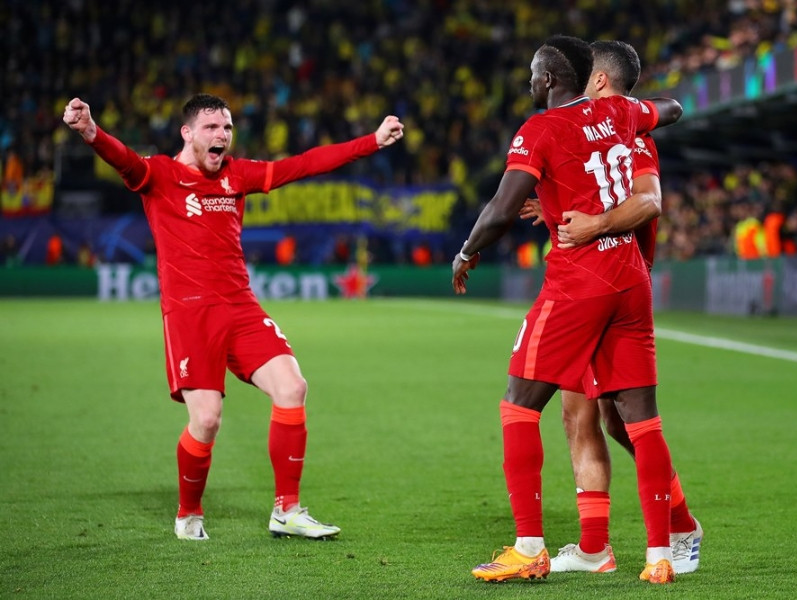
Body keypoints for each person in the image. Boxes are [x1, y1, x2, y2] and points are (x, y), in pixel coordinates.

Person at [63, 93, 404, 541]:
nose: (222, 135)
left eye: (226, 127)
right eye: (211, 127)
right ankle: (188, 513)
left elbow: (304, 165)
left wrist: (372, 141)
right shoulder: (160, 175)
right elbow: (123, 159)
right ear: (187, 133)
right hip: (190, 314)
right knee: (206, 419)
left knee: (292, 387)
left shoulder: (237, 175)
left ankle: (287, 510)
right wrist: (91, 131)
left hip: (240, 307)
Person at [452, 35, 683, 584]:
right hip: (631, 278)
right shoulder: (621, 112)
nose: (530, 81)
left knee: (518, 403)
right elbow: (670, 108)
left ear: (551, 78)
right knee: (641, 419)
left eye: (535, 73)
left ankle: (528, 547)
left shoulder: (540, 128)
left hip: (580, 280)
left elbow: (501, 208)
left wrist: (466, 251)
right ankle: (659, 556)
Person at [519, 40, 702, 576]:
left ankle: (680, 524)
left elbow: (648, 201)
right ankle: (595, 546)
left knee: (622, 422)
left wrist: (595, 223)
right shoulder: (588, 129)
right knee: (579, 414)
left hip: (616, 286)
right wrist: (554, 207)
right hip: (588, 285)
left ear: (599, 80)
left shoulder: (631, 132)